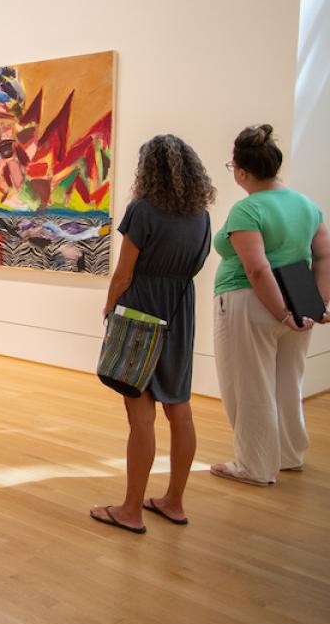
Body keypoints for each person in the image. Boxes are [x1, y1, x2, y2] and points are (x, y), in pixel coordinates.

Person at [89, 135, 214, 534]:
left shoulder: (142, 210)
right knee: (179, 406)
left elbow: (123, 273)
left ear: (148, 170)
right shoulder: (202, 215)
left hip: (140, 310)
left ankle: (131, 509)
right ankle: (173, 501)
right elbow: (196, 265)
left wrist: (109, 308)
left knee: (140, 414)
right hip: (180, 309)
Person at [211, 124, 329, 486]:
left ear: (243, 171)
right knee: (286, 382)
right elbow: (324, 257)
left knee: (249, 386)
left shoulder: (248, 210)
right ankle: (289, 454)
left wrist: (280, 312)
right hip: (299, 302)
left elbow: (257, 269)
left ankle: (254, 466)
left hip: (250, 306)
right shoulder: (307, 206)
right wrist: (318, 303)